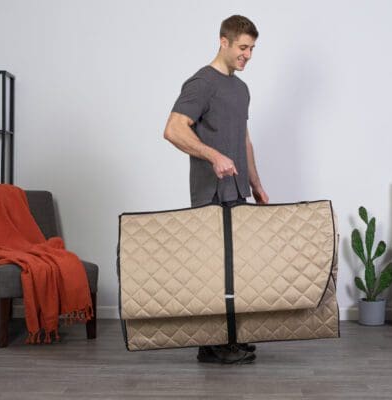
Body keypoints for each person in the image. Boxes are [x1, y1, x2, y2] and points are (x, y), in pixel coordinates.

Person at [163, 15, 268, 364]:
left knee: (234, 268)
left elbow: (244, 139)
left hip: (237, 190)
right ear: (223, 42)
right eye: (243, 47)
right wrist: (212, 155)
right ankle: (214, 344)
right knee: (213, 269)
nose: (248, 55)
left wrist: (256, 183)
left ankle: (223, 339)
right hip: (210, 193)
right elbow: (174, 129)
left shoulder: (241, 88)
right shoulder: (201, 82)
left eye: (252, 48)